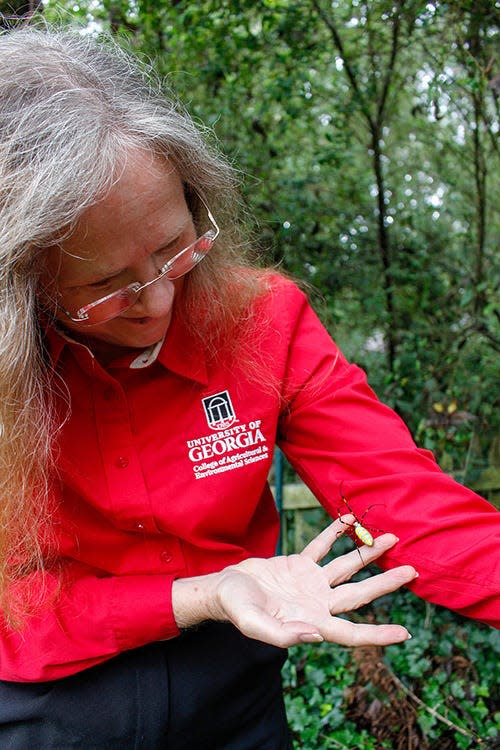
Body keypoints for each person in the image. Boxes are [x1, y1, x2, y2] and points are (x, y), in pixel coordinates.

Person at [0, 25, 498, 750]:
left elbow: (404, 505)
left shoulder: (265, 321)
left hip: (236, 693)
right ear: (24, 283)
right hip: (52, 703)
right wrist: (197, 594)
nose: (160, 302)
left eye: (175, 250)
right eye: (106, 287)